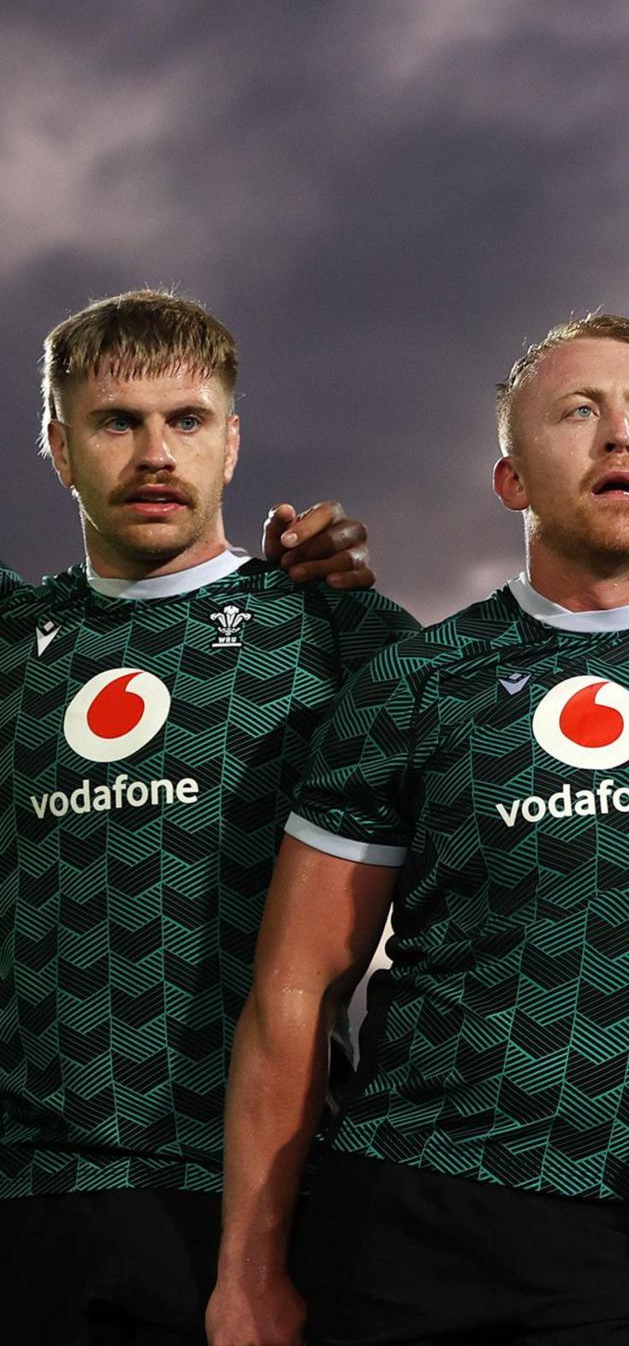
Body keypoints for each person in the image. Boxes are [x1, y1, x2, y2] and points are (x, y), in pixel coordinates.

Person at [205, 312, 629, 1346]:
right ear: (512, 480)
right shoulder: (415, 682)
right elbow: (296, 988)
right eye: (579, 413)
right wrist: (248, 1273)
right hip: (409, 1212)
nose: (620, 436)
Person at [0, 290, 411, 1344]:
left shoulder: (331, 628)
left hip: (254, 1193)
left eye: (185, 421)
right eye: (114, 421)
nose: (152, 453)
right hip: (26, 1196)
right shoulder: (14, 637)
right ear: (56, 445)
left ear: (232, 445)